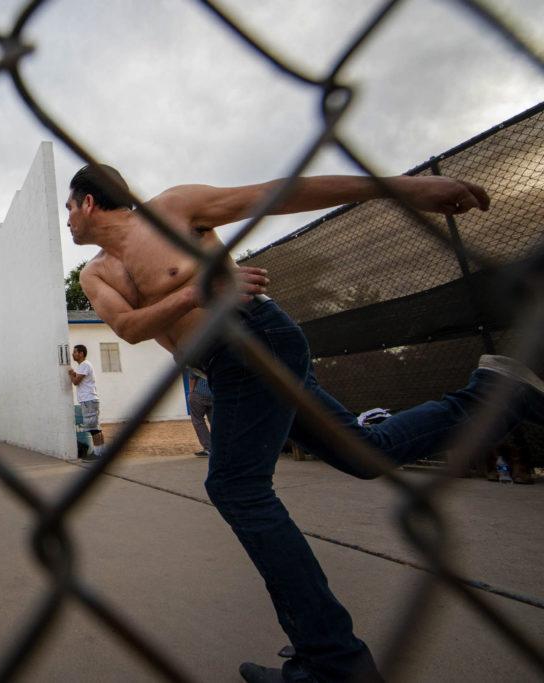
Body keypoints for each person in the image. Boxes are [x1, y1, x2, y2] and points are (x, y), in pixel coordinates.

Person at [65, 163, 544, 682]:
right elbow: (130, 328)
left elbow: (279, 193)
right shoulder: (96, 274)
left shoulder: (174, 210)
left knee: (235, 488)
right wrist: (190, 294)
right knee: (366, 454)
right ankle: (499, 394)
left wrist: (408, 189)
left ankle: (332, 660)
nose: (67, 221)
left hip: (255, 337)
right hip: (227, 368)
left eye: (69, 208)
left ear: (89, 202)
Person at [69, 344, 104, 461]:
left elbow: (76, 382)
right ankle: (101, 453)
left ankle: (97, 454)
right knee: (96, 428)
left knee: (93, 429)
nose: (73, 354)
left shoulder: (84, 365)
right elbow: (79, 378)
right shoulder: (83, 366)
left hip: (88, 400)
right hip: (90, 400)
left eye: (75, 352)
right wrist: (74, 374)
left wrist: (71, 375)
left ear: (81, 353)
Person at [188, 369, 214, 456]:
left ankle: (209, 448)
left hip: (199, 394)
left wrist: (191, 393)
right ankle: (219, 447)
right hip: (214, 395)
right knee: (215, 422)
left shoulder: (199, 360)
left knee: (198, 421)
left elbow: (192, 377)